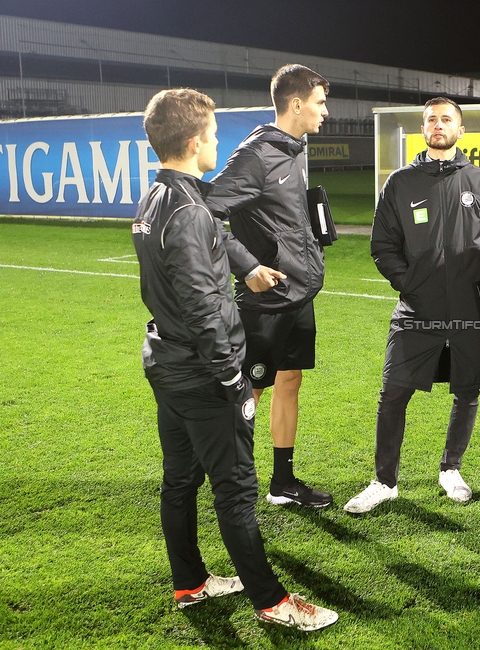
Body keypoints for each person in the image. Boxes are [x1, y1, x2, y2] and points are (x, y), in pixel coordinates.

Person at [131, 88, 337, 630]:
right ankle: (272, 603)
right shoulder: (191, 211)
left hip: (166, 362)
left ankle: (191, 583)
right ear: (195, 141)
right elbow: (202, 305)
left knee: (179, 481)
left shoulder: (156, 199)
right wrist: (231, 378)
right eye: (214, 135)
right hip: (203, 374)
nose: (217, 144)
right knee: (237, 490)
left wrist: (244, 267)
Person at [344, 97, 480, 514]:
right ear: (422, 129)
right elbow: (382, 245)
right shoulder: (400, 183)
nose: (438, 125)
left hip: (469, 308)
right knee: (393, 392)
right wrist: (410, 284)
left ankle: (451, 470)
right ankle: (384, 481)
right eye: (431, 120)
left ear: (460, 130)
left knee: (467, 390)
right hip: (417, 310)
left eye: (446, 120)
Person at [206, 64, 332, 509]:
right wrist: (247, 266)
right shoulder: (255, 154)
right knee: (249, 392)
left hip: (298, 292)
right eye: (319, 103)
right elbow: (208, 212)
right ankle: (233, 487)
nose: (325, 111)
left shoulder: (295, 147)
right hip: (265, 299)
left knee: (290, 380)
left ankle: (283, 482)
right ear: (296, 105)